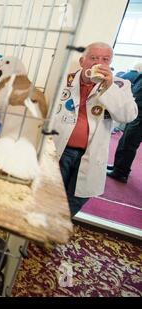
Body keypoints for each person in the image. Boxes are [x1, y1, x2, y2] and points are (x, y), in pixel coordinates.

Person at [53, 42, 138, 217]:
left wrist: (108, 88)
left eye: (105, 59)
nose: (98, 63)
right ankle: (44, 227)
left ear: (110, 63)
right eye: (93, 58)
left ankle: (58, 225)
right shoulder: (64, 79)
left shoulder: (121, 85)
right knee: (52, 192)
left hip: (91, 154)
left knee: (78, 197)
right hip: (60, 149)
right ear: (82, 60)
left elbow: (128, 116)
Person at [107, 63, 142, 183]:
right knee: (124, 141)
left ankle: (121, 172)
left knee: (128, 144)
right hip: (137, 113)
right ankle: (118, 167)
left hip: (140, 115)